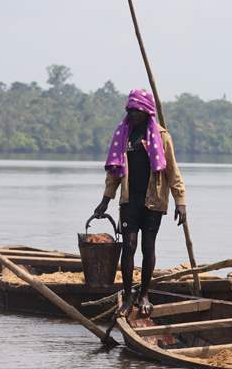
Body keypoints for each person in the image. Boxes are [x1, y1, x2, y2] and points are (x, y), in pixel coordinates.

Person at [93, 89, 186, 316]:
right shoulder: (123, 134)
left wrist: (180, 202)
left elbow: (173, 172)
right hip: (129, 201)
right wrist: (105, 200)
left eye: (137, 111)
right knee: (129, 246)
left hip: (153, 201)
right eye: (130, 110)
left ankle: (144, 294)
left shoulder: (162, 136)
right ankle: (127, 296)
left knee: (148, 247)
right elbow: (114, 172)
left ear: (147, 112)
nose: (133, 115)